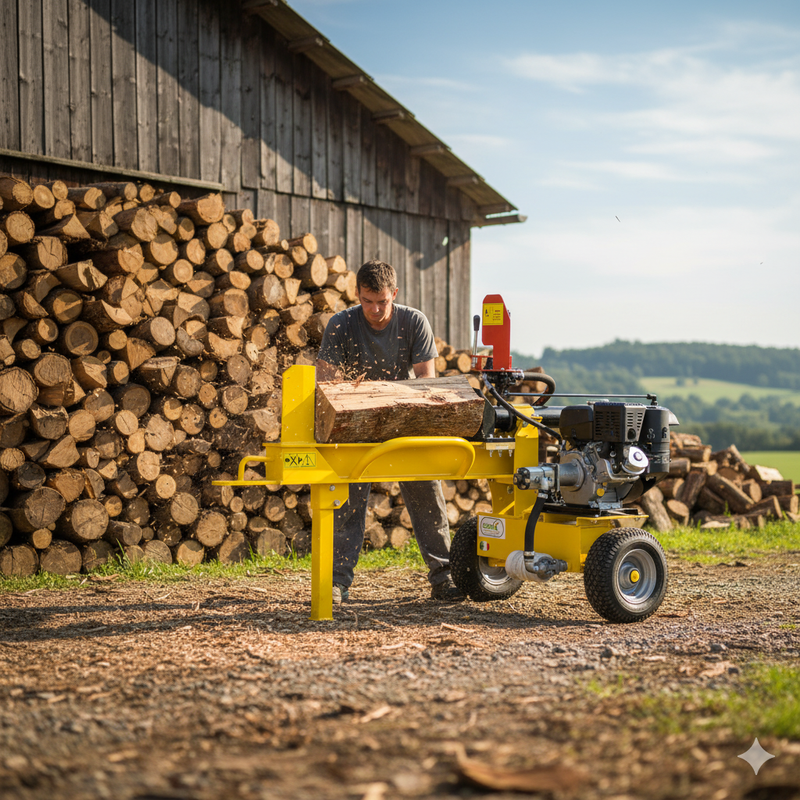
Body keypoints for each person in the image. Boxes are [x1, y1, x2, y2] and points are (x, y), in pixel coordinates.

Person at [316, 259, 464, 604]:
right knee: (347, 502)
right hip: (356, 427)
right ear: (358, 294)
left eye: (382, 301)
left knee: (427, 493)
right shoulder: (341, 324)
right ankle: (337, 583)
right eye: (368, 301)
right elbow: (326, 385)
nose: (375, 310)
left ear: (394, 293)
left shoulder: (413, 321)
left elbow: (426, 382)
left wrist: (392, 398)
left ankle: (443, 577)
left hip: (406, 424)